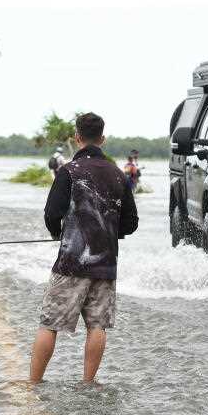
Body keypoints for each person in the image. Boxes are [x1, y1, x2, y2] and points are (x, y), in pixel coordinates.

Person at [29, 113, 139, 384]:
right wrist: (111, 232)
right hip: (106, 264)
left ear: (77, 138)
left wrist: (59, 234)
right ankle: (88, 383)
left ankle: (33, 384)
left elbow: (52, 213)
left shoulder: (68, 171)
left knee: (49, 323)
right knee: (97, 325)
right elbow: (131, 223)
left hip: (71, 263)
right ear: (102, 139)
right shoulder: (118, 175)